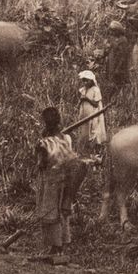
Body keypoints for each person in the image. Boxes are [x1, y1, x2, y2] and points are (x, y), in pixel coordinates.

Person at [34, 135, 87, 263]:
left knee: (54, 214)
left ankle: (57, 247)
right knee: (56, 214)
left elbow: (43, 163)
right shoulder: (58, 139)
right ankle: (57, 247)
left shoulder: (53, 141)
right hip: (55, 182)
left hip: (55, 182)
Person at [76, 71, 106, 152]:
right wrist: (80, 103)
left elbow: (96, 104)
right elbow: (80, 100)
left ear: (91, 80)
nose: (85, 83)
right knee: (85, 129)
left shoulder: (95, 90)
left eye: (87, 80)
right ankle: (86, 148)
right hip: (85, 112)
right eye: (83, 80)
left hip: (93, 113)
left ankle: (97, 149)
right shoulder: (82, 90)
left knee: (94, 129)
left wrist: (86, 99)